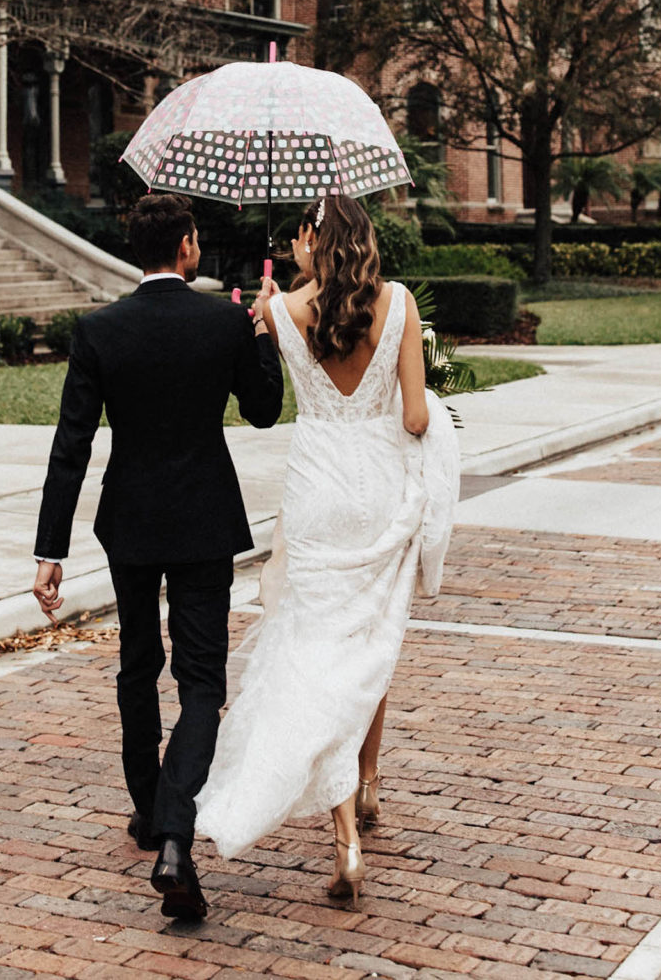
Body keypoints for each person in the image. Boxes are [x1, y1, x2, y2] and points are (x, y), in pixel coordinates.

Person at [195, 193, 459, 907]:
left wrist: (273, 310)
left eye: (300, 235)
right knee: (368, 641)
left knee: (315, 649)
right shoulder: (400, 302)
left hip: (316, 492)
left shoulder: (281, 312)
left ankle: (347, 832)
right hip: (379, 491)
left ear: (317, 239)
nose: (293, 246)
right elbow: (413, 415)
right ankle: (367, 786)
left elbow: (269, 395)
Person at [32, 192, 284, 922]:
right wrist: (263, 329)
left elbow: (71, 445)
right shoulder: (225, 321)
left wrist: (50, 549)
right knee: (202, 680)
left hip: (131, 520)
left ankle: (148, 811)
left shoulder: (100, 329)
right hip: (204, 518)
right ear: (186, 247)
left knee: (137, 663)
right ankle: (176, 830)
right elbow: (265, 409)